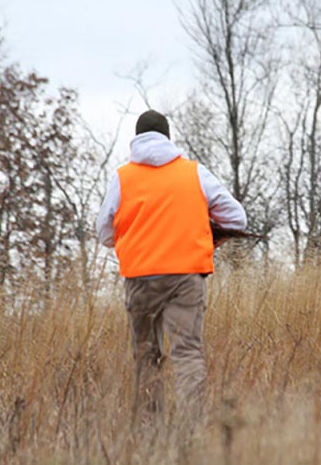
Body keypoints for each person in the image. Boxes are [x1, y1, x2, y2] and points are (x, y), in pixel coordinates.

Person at [96, 109, 247, 426]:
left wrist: (135, 234)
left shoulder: (123, 178)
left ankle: (151, 434)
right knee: (187, 353)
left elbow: (104, 233)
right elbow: (237, 218)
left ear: (136, 139)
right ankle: (194, 428)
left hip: (140, 278)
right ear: (168, 137)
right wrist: (205, 227)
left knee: (146, 355)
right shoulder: (193, 173)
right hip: (185, 276)